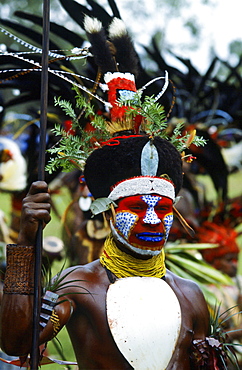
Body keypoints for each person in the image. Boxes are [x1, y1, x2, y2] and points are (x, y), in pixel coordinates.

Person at [0, 16, 227, 370]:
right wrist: (27, 239)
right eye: (137, 207)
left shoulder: (190, 294)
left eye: (164, 210)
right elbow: (14, 342)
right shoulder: (80, 285)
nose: (153, 219)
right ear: (109, 208)